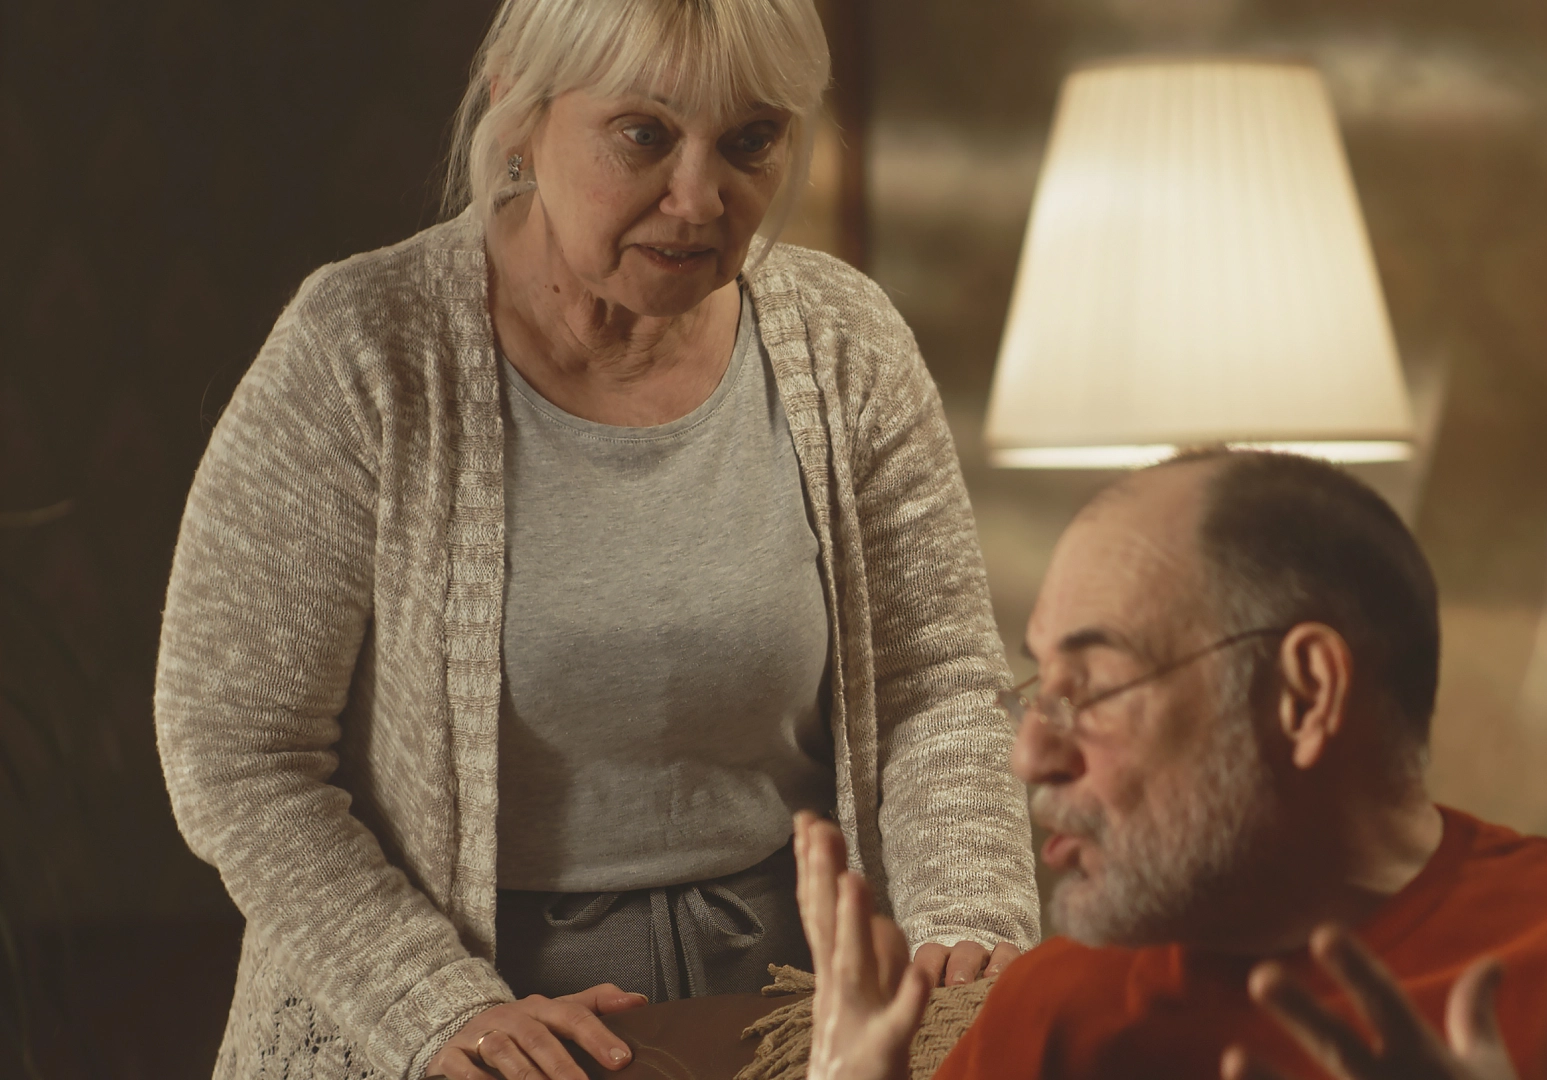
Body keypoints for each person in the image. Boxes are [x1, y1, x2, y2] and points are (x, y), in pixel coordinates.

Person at [153, 2, 1039, 1078]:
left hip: (792, 1023)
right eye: (644, 135)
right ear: (519, 110)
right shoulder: (362, 350)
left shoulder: (844, 341)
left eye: (751, 141)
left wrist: (969, 925)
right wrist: (436, 1006)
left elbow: (935, 684)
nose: (701, 197)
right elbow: (238, 754)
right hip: (465, 1029)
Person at [796, 449, 1547, 1080]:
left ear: (1304, 696)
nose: (1030, 751)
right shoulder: (1058, 1006)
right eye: (1037, 688)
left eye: (1092, 689)